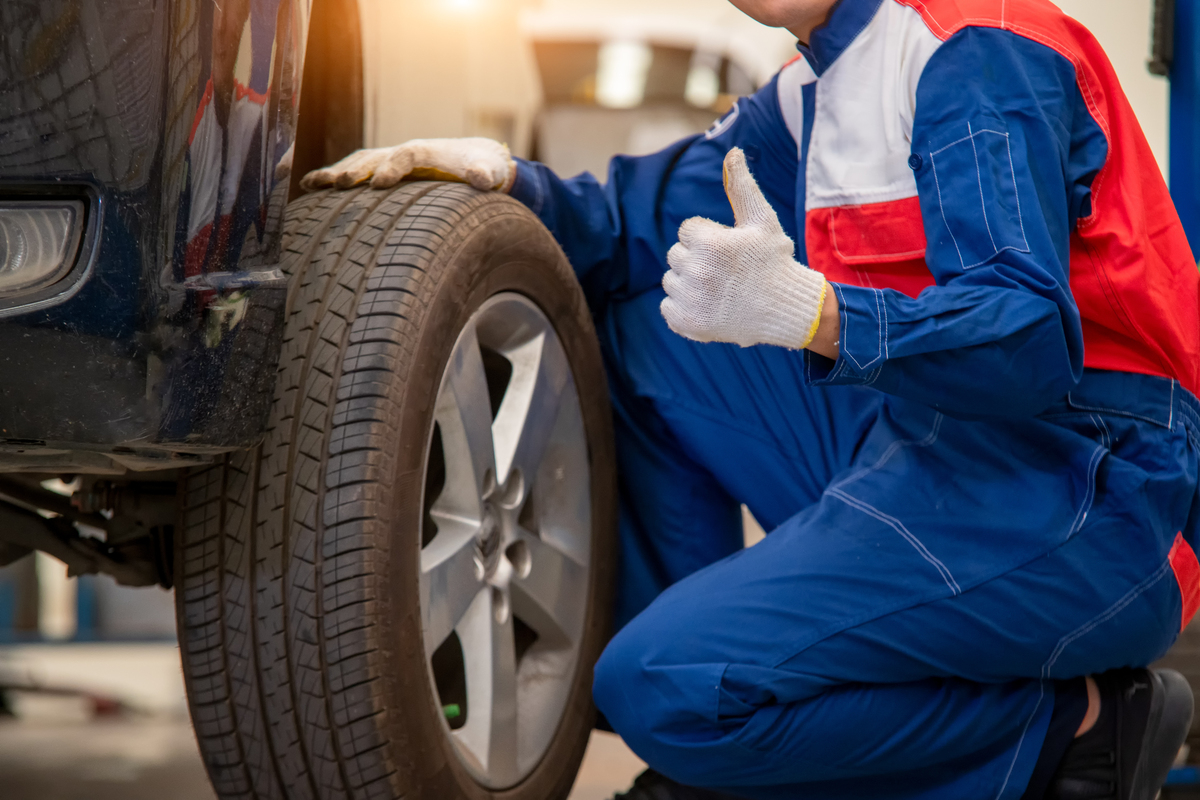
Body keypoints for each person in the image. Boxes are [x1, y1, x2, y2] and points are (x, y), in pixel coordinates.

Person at [302, 0, 1200, 797]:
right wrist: (503, 182)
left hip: (1094, 489)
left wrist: (819, 314)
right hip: (934, 439)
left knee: (655, 688)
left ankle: (1074, 729)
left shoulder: (971, 52)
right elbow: (637, 223)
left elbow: (1026, 341)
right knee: (645, 314)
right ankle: (745, 709)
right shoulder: (815, 84)